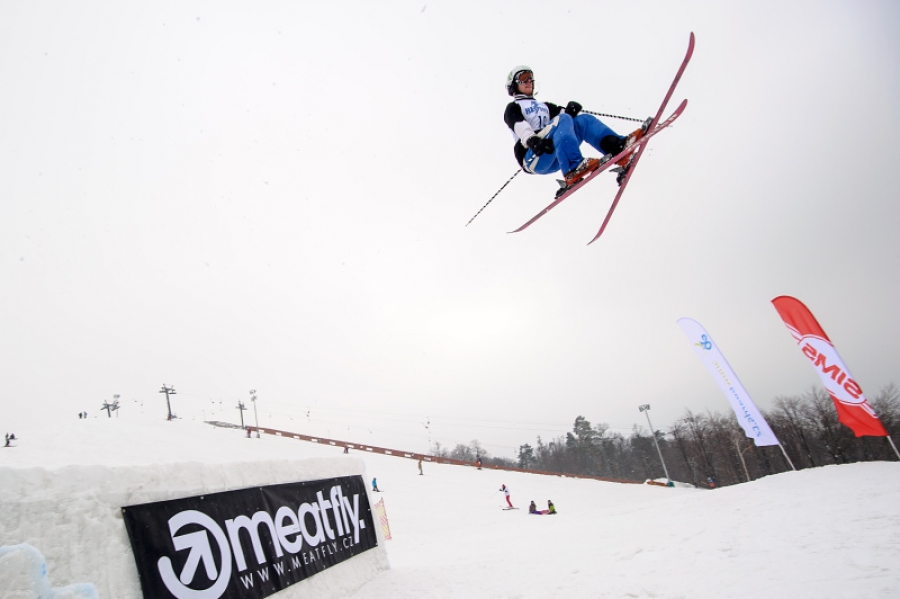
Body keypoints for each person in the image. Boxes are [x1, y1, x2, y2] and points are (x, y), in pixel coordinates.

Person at [503, 65, 648, 188]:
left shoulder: (544, 106)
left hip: (555, 154)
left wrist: (571, 112)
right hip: (533, 156)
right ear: (514, 84)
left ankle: (618, 148)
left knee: (582, 120)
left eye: (530, 77)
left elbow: (565, 119)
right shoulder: (513, 107)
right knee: (563, 119)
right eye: (523, 78)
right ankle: (573, 168)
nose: (529, 81)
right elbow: (519, 124)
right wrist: (532, 140)